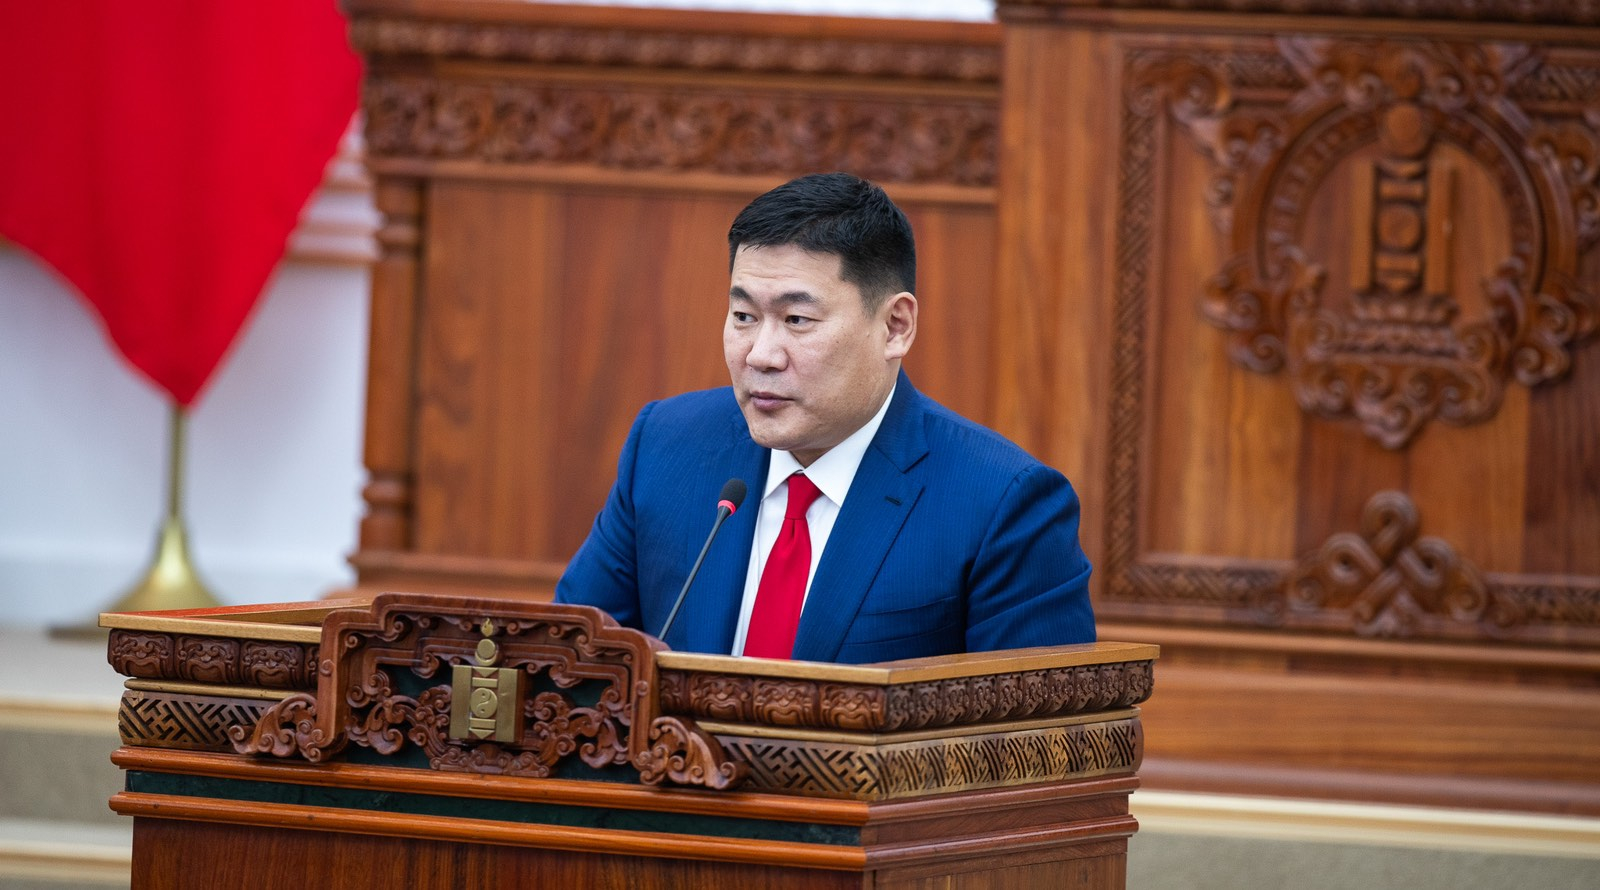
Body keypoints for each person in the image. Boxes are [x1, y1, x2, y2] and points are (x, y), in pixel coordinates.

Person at [555, 172, 1093, 664]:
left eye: (797, 319)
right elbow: (571, 668)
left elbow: (1040, 750)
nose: (761, 354)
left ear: (895, 326)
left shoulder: (1003, 504)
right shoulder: (666, 448)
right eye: (743, 316)